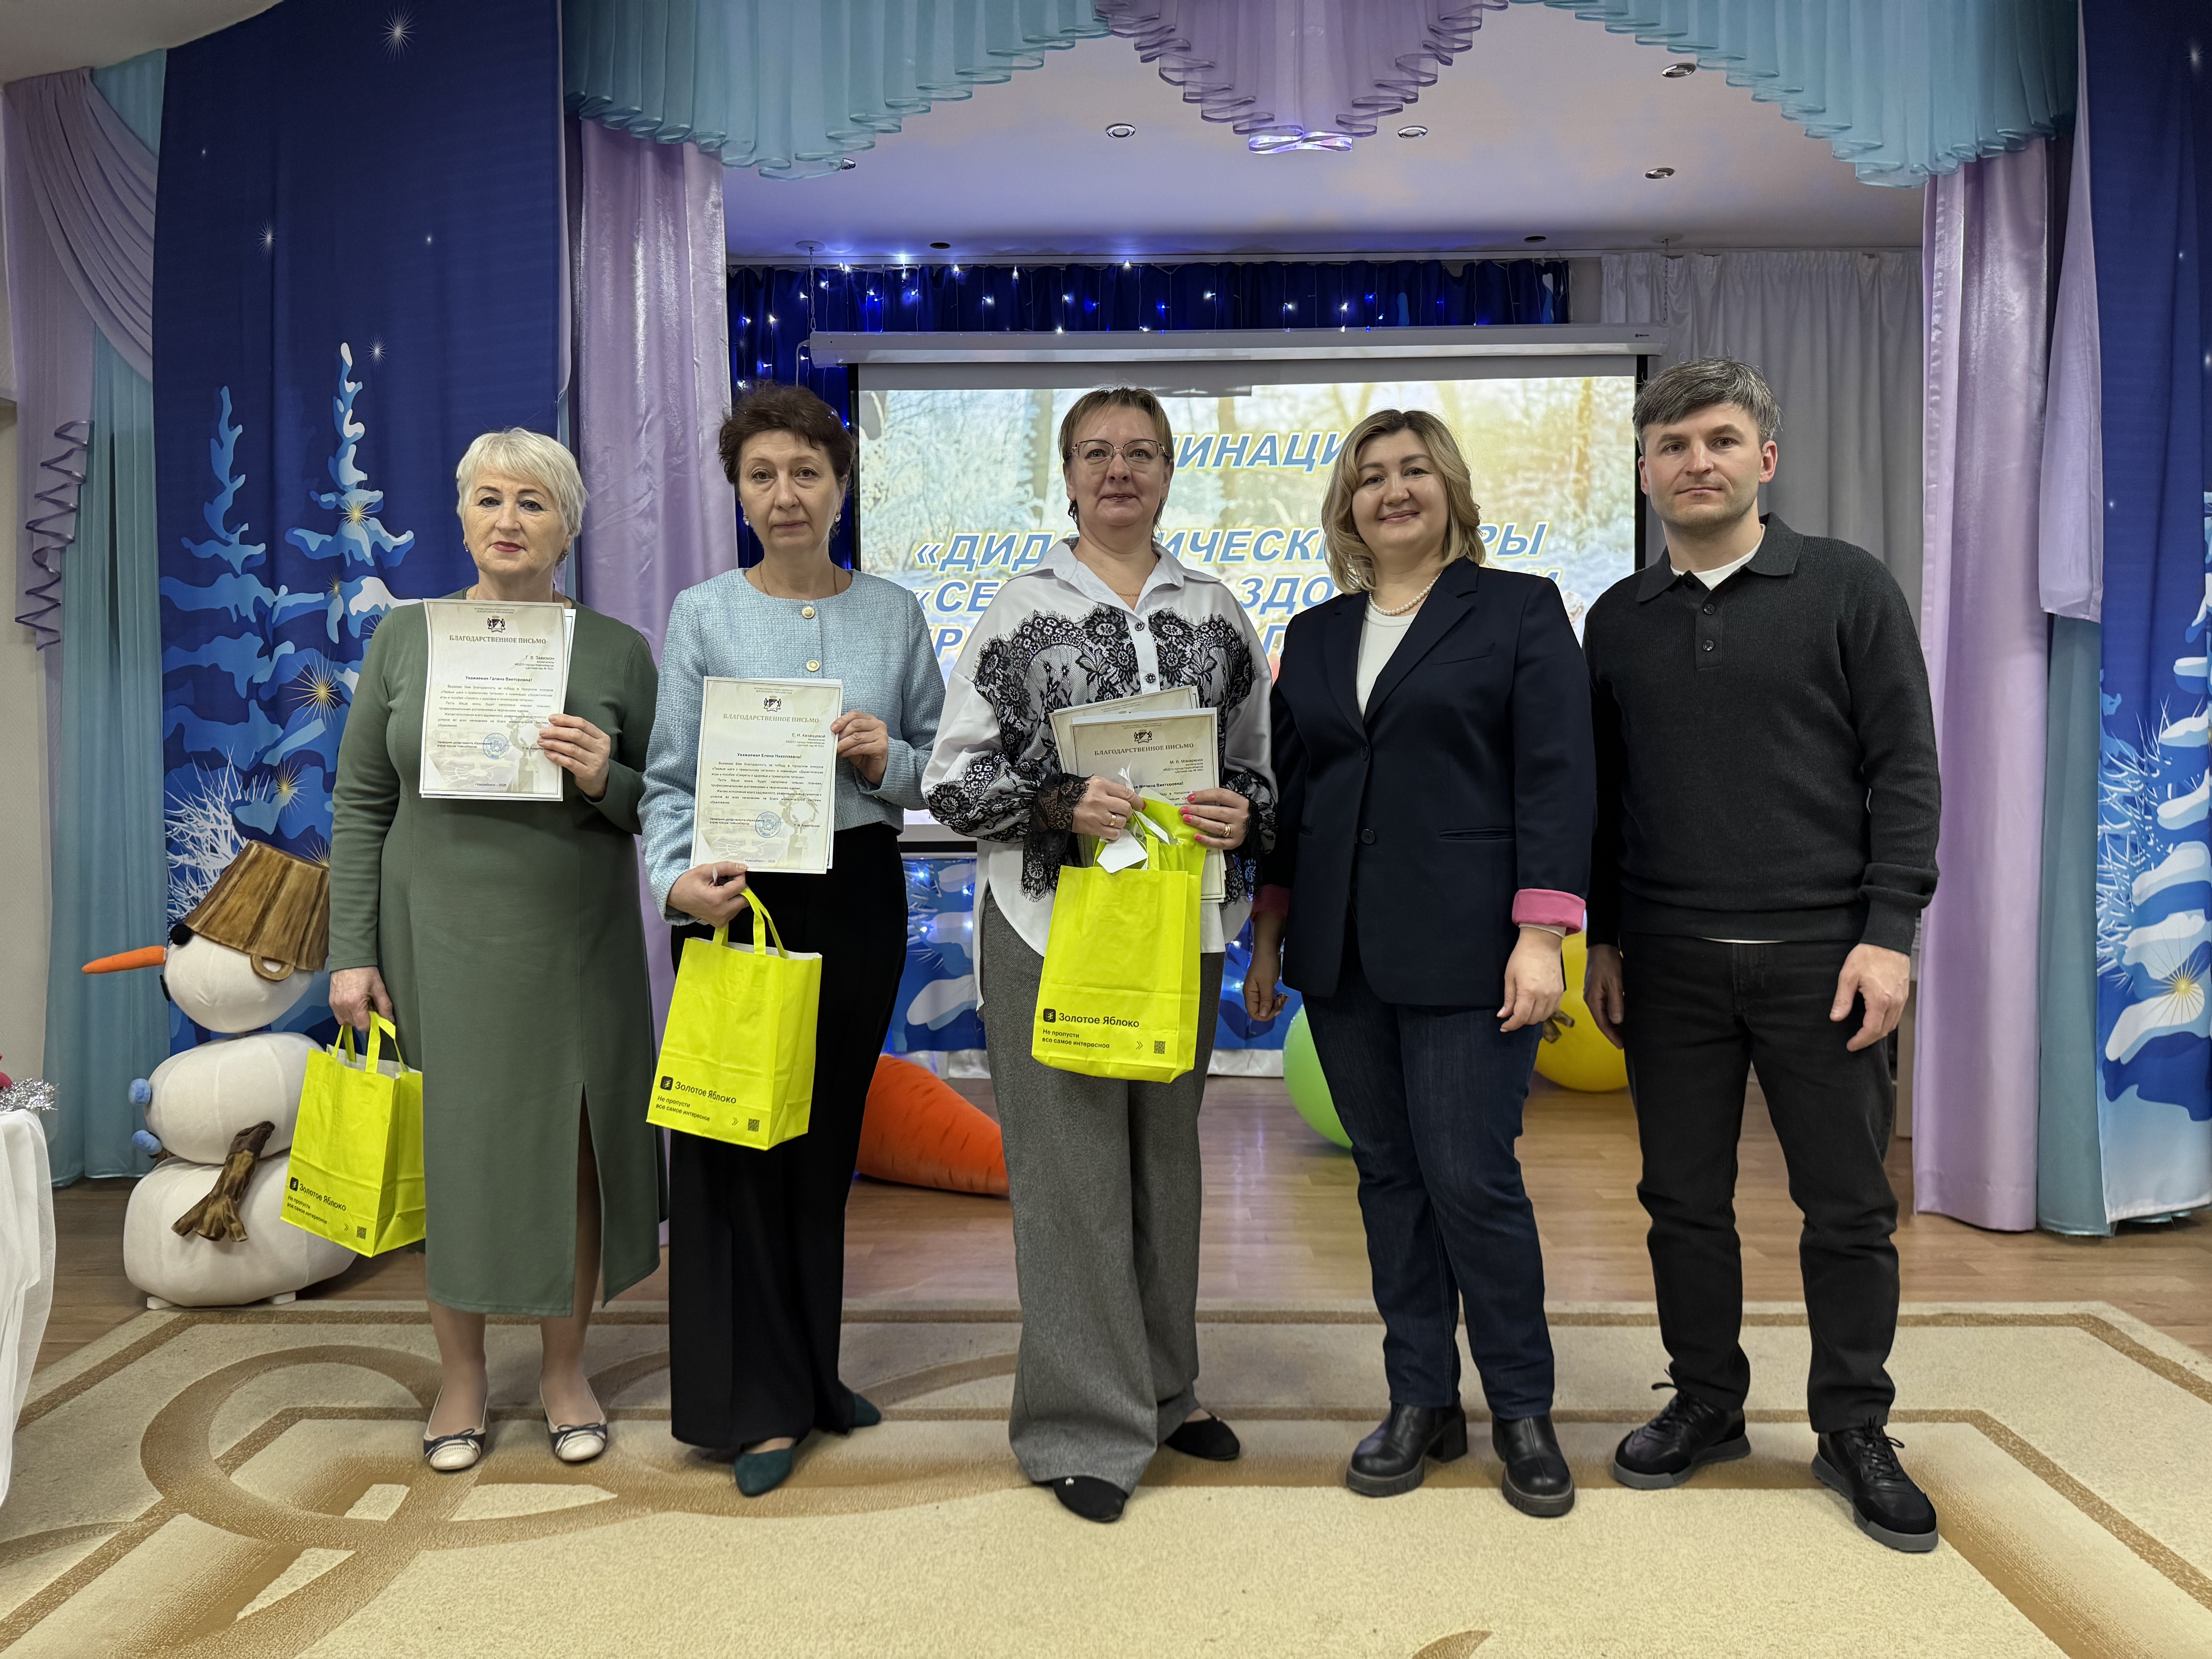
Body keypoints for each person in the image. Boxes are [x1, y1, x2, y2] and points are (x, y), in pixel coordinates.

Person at [1581, 357, 1942, 1553]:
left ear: (1766, 459)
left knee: (1848, 1206)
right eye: (1673, 445)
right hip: (1669, 961)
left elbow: (1906, 769)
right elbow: (1606, 798)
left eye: (1721, 440)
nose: (1698, 462)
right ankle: (1707, 1401)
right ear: (1645, 471)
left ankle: (1853, 1423)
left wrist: (1889, 935)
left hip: (1825, 958)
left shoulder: (1848, 588)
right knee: (1682, 1201)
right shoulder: (1616, 619)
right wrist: (1608, 935)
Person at [922, 386, 1274, 1524]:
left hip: (1179, 925)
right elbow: (950, 780)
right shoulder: (1017, 610)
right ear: (1067, 476)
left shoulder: (1217, 611)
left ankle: (1166, 1393)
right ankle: (1078, 1425)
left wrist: (1241, 813)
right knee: (1070, 1178)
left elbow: (1259, 772)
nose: (1119, 469)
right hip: (1047, 925)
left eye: (1141, 452)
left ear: (1169, 471)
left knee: (1166, 1167)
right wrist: (1059, 802)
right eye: (1095, 452)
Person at [1244, 409, 1593, 1517]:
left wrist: (1542, 936)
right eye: (1370, 477)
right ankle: (1421, 1399)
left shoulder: (1520, 609)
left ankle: (1524, 1408)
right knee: (1389, 1179)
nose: (1393, 491)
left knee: (1471, 1180)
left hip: (1473, 951)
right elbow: (1296, 799)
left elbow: (1557, 775)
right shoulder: (1315, 632)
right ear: (1346, 507)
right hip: (1340, 954)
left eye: (1413, 471)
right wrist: (1270, 933)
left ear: (1449, 489)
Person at [330, 428, 661, 1473]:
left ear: (569, 526)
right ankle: (463, 1378)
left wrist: (605, 773)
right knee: (456, 1159)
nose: (508, 520)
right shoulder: (404, 638)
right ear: (463, 516)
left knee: (571, 1155)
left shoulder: (617, 651)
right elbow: (360, 803)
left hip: (573, 945)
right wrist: (351, 952)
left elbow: (666, 805)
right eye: (488, 499)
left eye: (532, 502)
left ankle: (565, 1373)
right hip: (432, 942)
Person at [641, 383, 944, 1498]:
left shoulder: (895, 615)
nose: (786, 495)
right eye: (762, 475)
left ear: (841, 487)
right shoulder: (703, 614)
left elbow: (943, 766)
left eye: (807, 473)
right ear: (738, 493)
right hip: (738, 900)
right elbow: (668, 780)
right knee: (740, 1150)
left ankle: (815, 1375)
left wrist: (886, 759)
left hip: (857, 893)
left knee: (824, 1151)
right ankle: (757, 1402)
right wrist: (678, 881)